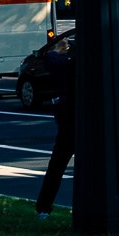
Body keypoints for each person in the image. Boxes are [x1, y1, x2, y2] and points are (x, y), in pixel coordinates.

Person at [33, 31, 77, 217]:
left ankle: (44, 207)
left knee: (56, 167)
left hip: (69, 122)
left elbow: (51, 62)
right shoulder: (94, 63)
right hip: (90, 124)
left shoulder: (67, 64)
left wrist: (58, 50)